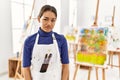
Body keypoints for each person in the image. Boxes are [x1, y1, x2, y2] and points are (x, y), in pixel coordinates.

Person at [22, 5, 69, 80]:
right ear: (38, 19)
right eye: (45, 19)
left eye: (53, 20)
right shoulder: (29, 41)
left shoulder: (61, 40)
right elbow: (26, 68)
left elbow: (65, 66)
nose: (49, 23)